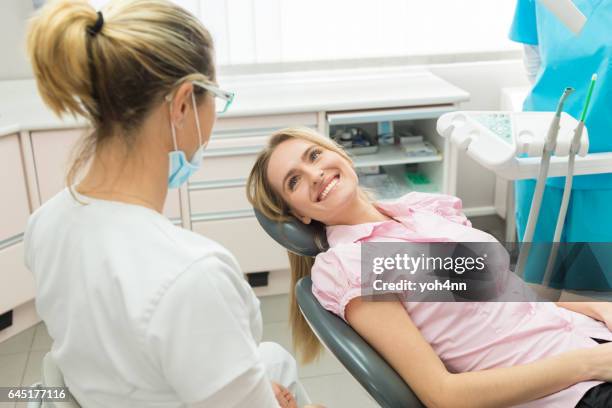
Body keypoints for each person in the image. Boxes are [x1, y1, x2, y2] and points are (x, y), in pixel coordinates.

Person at [24, 1, 312, 407]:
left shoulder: (45, 223)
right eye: (215, 96)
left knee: (273, 360)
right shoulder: (194, 275)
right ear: (181, 106)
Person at [246, 127, 612, 407]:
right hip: (567, 391)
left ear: (338, 154)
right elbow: (442, 394)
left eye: (314, 156)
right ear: (297, 214)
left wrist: (595, 309)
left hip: (586, 338)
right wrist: (588, 364)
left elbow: (511, 299)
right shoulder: (350, 264)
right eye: (294, 181)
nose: (314, 174)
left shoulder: (422, 210)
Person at [509, 0, 612, 291]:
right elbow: (533, 58)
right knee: (537, 278)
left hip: (604, 168)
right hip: (544, 146)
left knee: (594, 288)